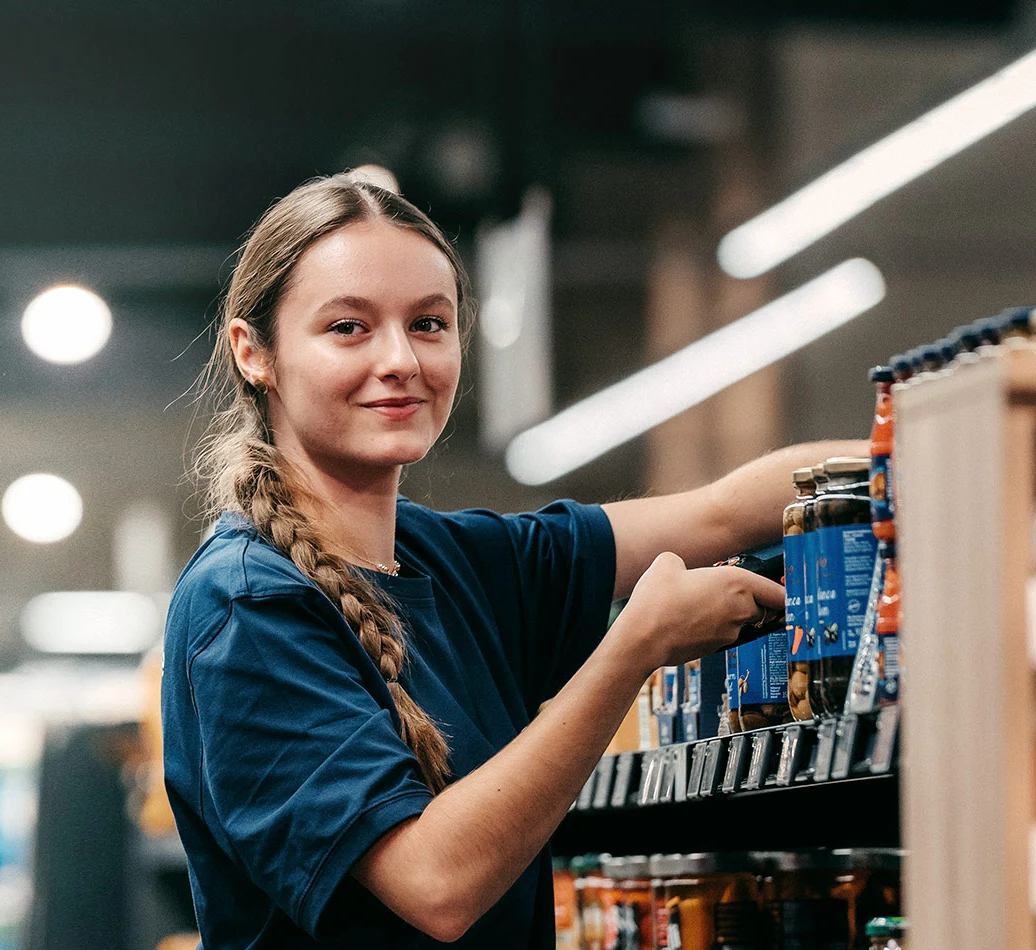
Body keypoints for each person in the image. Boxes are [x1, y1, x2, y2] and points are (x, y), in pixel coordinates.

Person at [161, 170, 861, 948]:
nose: (400, 359)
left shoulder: (455, 559)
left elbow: (723, 510)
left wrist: (926, 427)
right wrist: (634, 650)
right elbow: (436, 884)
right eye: (349, 328)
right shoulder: (248, 606)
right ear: (253, 352)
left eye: (429, 324)